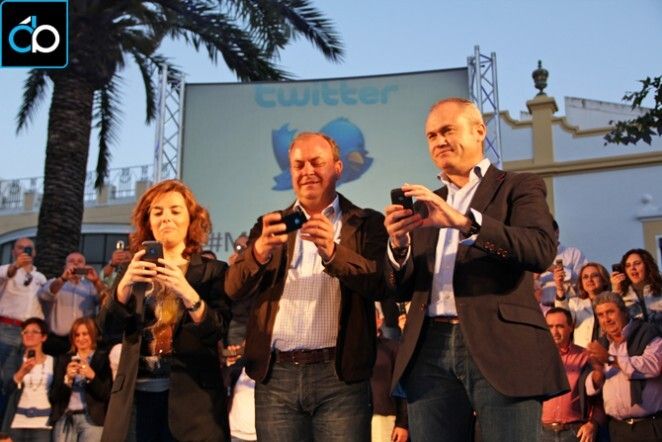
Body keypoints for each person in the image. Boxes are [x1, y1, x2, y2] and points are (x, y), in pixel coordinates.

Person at [383, 97, 568, 441]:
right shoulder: (425, 205)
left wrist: (467, 223)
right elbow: (401, 289)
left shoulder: (518, 186)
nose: (439, 141)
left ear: (479, 131)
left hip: (502, 344)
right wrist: (399, 245)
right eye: (431, 135)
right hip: (428, 348)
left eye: (447, 130)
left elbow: (540, 250)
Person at [225, 132, 387, 441]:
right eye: (299, 165)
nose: (307, 171)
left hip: (341, 378)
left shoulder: (366, 223)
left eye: (316, 162)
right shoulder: (270, 225)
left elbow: (380, 284)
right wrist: (258, 252)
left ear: (338, 167)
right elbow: (233, 289)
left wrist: (333, 252)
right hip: (277, 378)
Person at [100, 179, 231, 442]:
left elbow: (217, 331)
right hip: (136, 402)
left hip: (193, 404)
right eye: (157, 212)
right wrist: (123, 287)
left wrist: (187, 292)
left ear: (191, 219)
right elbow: (107, 329)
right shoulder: (133, 270)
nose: (166, 218)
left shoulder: (212, 271)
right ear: (147, 222)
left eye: (175, 210)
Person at [585, 291, 662, 441]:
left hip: (650, 427)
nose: (606, 319)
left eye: (610, 312)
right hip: (618, 430)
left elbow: (654, 365)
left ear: (624, 312)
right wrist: (597, 374)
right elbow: (590, 388)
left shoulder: (647, 333)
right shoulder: (601, 344)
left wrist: (611, 359)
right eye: (601, 315)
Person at [0, 239, 47, 421]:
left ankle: (10, 426)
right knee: (5, 380)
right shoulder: (6, 271)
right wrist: (16, 266)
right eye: (20, 247)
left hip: (32, 334)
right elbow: (7, 273)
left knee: (24, 379)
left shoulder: (40, 277)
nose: (24, 251)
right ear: (13, 251)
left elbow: (48, 297)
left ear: (34, 253)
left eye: (29, 248)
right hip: (7, 330)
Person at [541, 308, 602, 442]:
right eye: (550, 326)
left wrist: (593, 424)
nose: (554, 332)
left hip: (576, 432)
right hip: (542, 432)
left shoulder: (586, 357)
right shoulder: (537, 357)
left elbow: (600, 399)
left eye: (560, 326)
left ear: (571, 327)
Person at [49, 318, 111, 442]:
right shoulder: (64, 360)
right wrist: (67, 379)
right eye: (77, 335)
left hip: (92, 421)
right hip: (65, 418)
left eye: (85, 334)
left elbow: (106, 394)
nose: (81, 338)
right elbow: (54, 397)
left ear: (92, 335)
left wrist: (92, 376)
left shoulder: (102, 359)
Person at [38, 253, 107, 356]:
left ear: (84, 266)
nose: (76, 263)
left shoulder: (91, 287)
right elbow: (45, 295)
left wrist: (96, 281)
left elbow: (107, 300)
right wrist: (63, 279)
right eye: (71, 261)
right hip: (57, 341)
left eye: (80, 261)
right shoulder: (55, 282)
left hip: (83, 341)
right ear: (65, 267)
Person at [1, 318, 53, 442]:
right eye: (25, 332)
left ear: (44, 337)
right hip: (16, 424)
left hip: (42, 425)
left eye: (34, 332)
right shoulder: (15, 360)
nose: (29, 335)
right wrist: (22, 372)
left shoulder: (53, 361)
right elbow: (6, 389)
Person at [371, 305, 408, 442]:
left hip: (384, 417)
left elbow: (403, 385)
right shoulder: (352, 353)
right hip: (354, 416)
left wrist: (402, 423)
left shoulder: (393, 348)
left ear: (379, 321)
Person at [555, 262, 610, 347]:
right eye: (585, 277)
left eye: (594, 276)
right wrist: (560, 289)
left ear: (604, 280)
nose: (589, 280)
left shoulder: (613, 301)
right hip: (583, 352)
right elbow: (562, 319)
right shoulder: (576, 303)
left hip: (609, 352)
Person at [538, 221, 588, 306]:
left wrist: (553, 268)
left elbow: (582, 281)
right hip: (540, 308)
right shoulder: (532, 257)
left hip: (569, 306)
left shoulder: (573, 253)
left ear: (557, 232)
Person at [611, 248, 662, 330]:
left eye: (637, 264)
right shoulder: (621, 295)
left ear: (647, 265)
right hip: (635, 338)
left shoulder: (660, 289)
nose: (632, 268)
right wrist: (616, 291)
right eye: (628, 266)